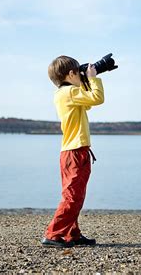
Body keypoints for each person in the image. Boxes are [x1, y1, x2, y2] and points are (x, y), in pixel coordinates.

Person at [42, 55, 104, 248]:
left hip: (75, 151)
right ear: (71, 74)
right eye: (79, 72)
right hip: (75, 151)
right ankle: (53, 234)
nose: (82, 74)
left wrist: (84, 79)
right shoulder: (68, 92)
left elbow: (88, 104)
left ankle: (71, 234)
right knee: (73, 196)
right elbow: (97, 98)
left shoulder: (66, 93)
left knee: (76, 195)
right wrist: (93, 78)